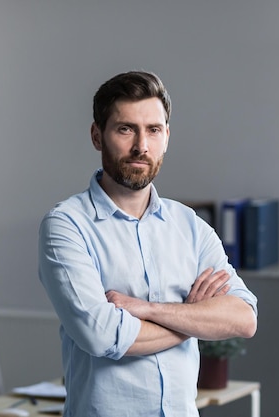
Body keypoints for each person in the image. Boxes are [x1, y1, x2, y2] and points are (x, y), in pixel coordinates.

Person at [38, 70, 258, 417]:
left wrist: (149, 310)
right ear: (97, 136)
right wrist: (193, 319)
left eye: (153, 130)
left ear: (166, 137)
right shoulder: (66, 226)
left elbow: (243, 318)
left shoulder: (190, 226)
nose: (142, 145)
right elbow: (102, 335)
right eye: (126, 129)